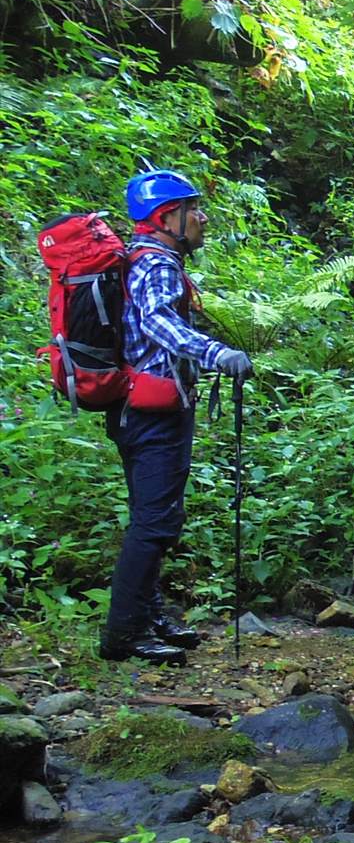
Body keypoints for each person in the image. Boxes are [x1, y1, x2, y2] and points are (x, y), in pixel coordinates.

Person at [98, 169, 253, 665]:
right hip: (151, 412)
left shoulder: (144, 257)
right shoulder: (158, 263)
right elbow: (158, 321)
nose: (202, 218)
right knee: (153, 522)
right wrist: (215, 353)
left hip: (142, 406)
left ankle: (147, 617)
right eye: (194, 209)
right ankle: (123, 635)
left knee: (158, 516)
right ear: (168, 217)